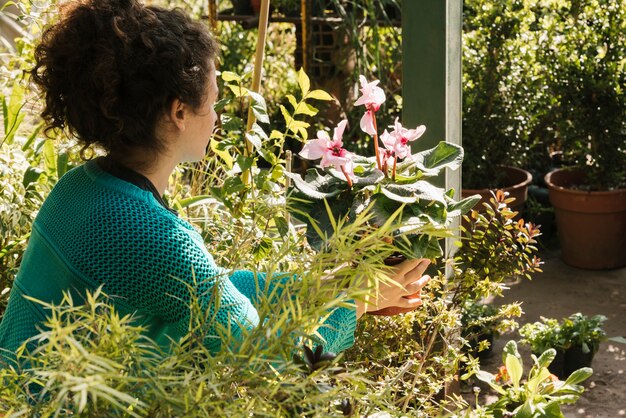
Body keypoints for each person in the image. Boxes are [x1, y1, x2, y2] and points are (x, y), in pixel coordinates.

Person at [0, 0, 431, 368]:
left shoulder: (82, 188)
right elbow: (267, 358)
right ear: (179, 112)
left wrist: (330, 290)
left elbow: (216, 288)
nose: (218, 117)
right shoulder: (149, 234)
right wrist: (357, 302)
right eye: (213, 100)